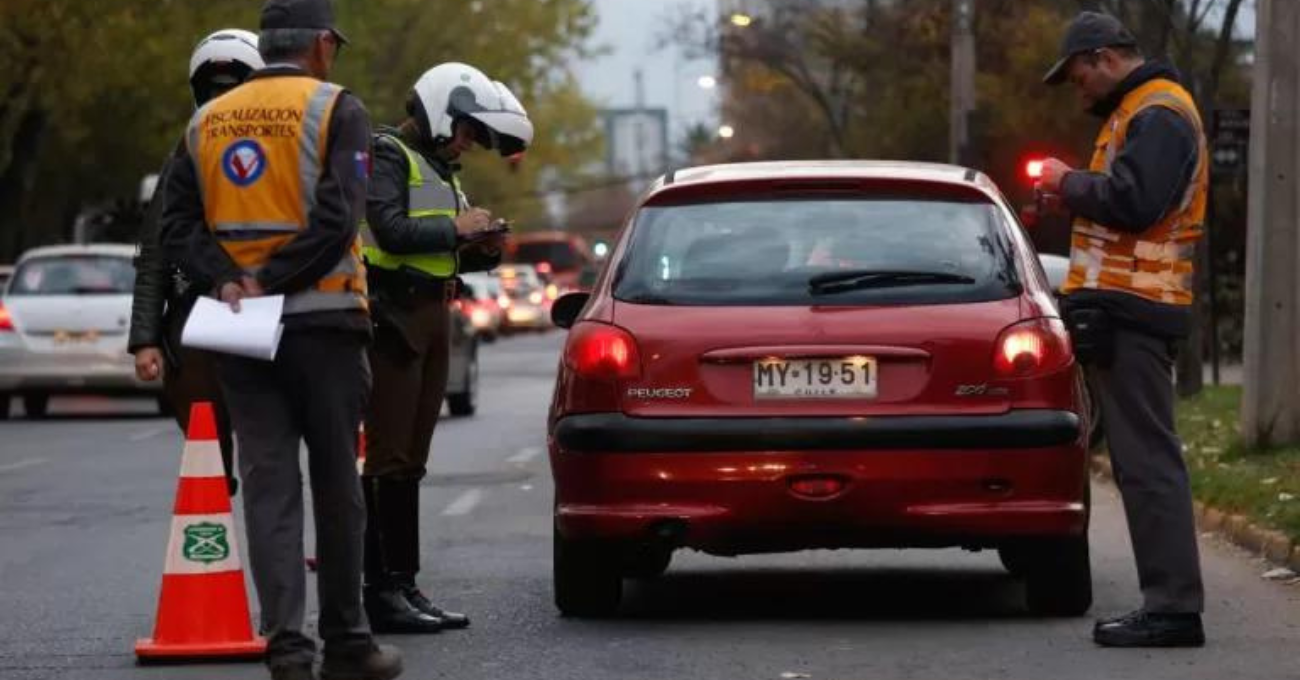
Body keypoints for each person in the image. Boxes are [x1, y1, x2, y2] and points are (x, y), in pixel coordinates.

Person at [160, 0, 402, 678]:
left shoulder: (206, 121)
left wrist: (229, 280)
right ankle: (349, 644)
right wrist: (272, 276)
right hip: (323, 323)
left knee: (268, 484)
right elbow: (340, 214)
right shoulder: (337, 110)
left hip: (239, 331)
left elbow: (176, 225)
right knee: (335, 482)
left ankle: (287, 649)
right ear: (323, 45)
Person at [1037, 11, 1207, 648]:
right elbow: (1129, 202)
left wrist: (1068, 182)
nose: (1078, 88)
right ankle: (1168, 603)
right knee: (1140, 461)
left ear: (1105, 58)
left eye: (1079, 75)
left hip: (1138, 309)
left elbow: (1137, 202)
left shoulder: (1158, 113)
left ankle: (1173, 608)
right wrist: (1074, 193)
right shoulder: (1139, 111)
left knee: (1147, 461)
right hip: (1127, 308)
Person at [360, 62, 532, 633]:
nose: (468, 143)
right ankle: (379, 593)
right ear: (438, 110)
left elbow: (442, 244)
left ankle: (405, 585)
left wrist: (483, 244)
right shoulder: (387, 154)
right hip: (394, 316)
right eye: (465, 130)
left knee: (411, 460)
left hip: (434, 314)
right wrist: (458, 231)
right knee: (386, 458)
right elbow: (387, 229)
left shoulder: (440, 168)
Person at [128, 28, 264, 497]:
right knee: (208, 464)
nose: (222, 99)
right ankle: (212, 558)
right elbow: (156, 254)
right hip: (195, 321)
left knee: (272, 458)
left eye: (235, 88)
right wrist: (144, 340)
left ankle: (287, 557)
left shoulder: (283, 152)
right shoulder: (186, 153)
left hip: (266, 312)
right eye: (214, 90)